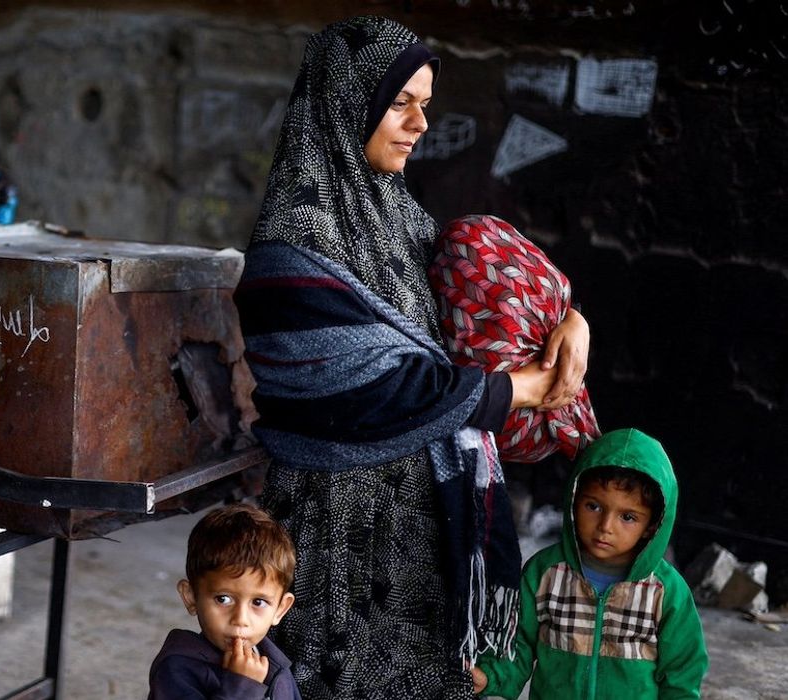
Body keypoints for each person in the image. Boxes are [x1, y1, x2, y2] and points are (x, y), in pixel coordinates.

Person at [233, 15, 591, 698]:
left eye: (425, 104)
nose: (421, 124)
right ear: (348, 102)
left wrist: (568, 316)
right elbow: (359, 390)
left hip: (422, 527)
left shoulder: (401, 217)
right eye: (401, 103)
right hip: (337, 533)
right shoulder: (292, 240)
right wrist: (511, 392)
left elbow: (485, 306)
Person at [472, 428, 708, 698]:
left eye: (628, 517)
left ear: (651, 526)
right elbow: (517, 645)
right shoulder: (544, 573)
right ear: (573, 501)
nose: (605, 527)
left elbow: (682, 672)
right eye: (593, 506)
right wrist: (490, 675)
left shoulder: (666, 592)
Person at [147, 503, 302, 700]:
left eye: (258, 602)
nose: (240, 619)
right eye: (223, 599)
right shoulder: (176, 669)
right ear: (191, 597)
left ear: (280, 609)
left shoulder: (278, 668)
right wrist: (242, 687)